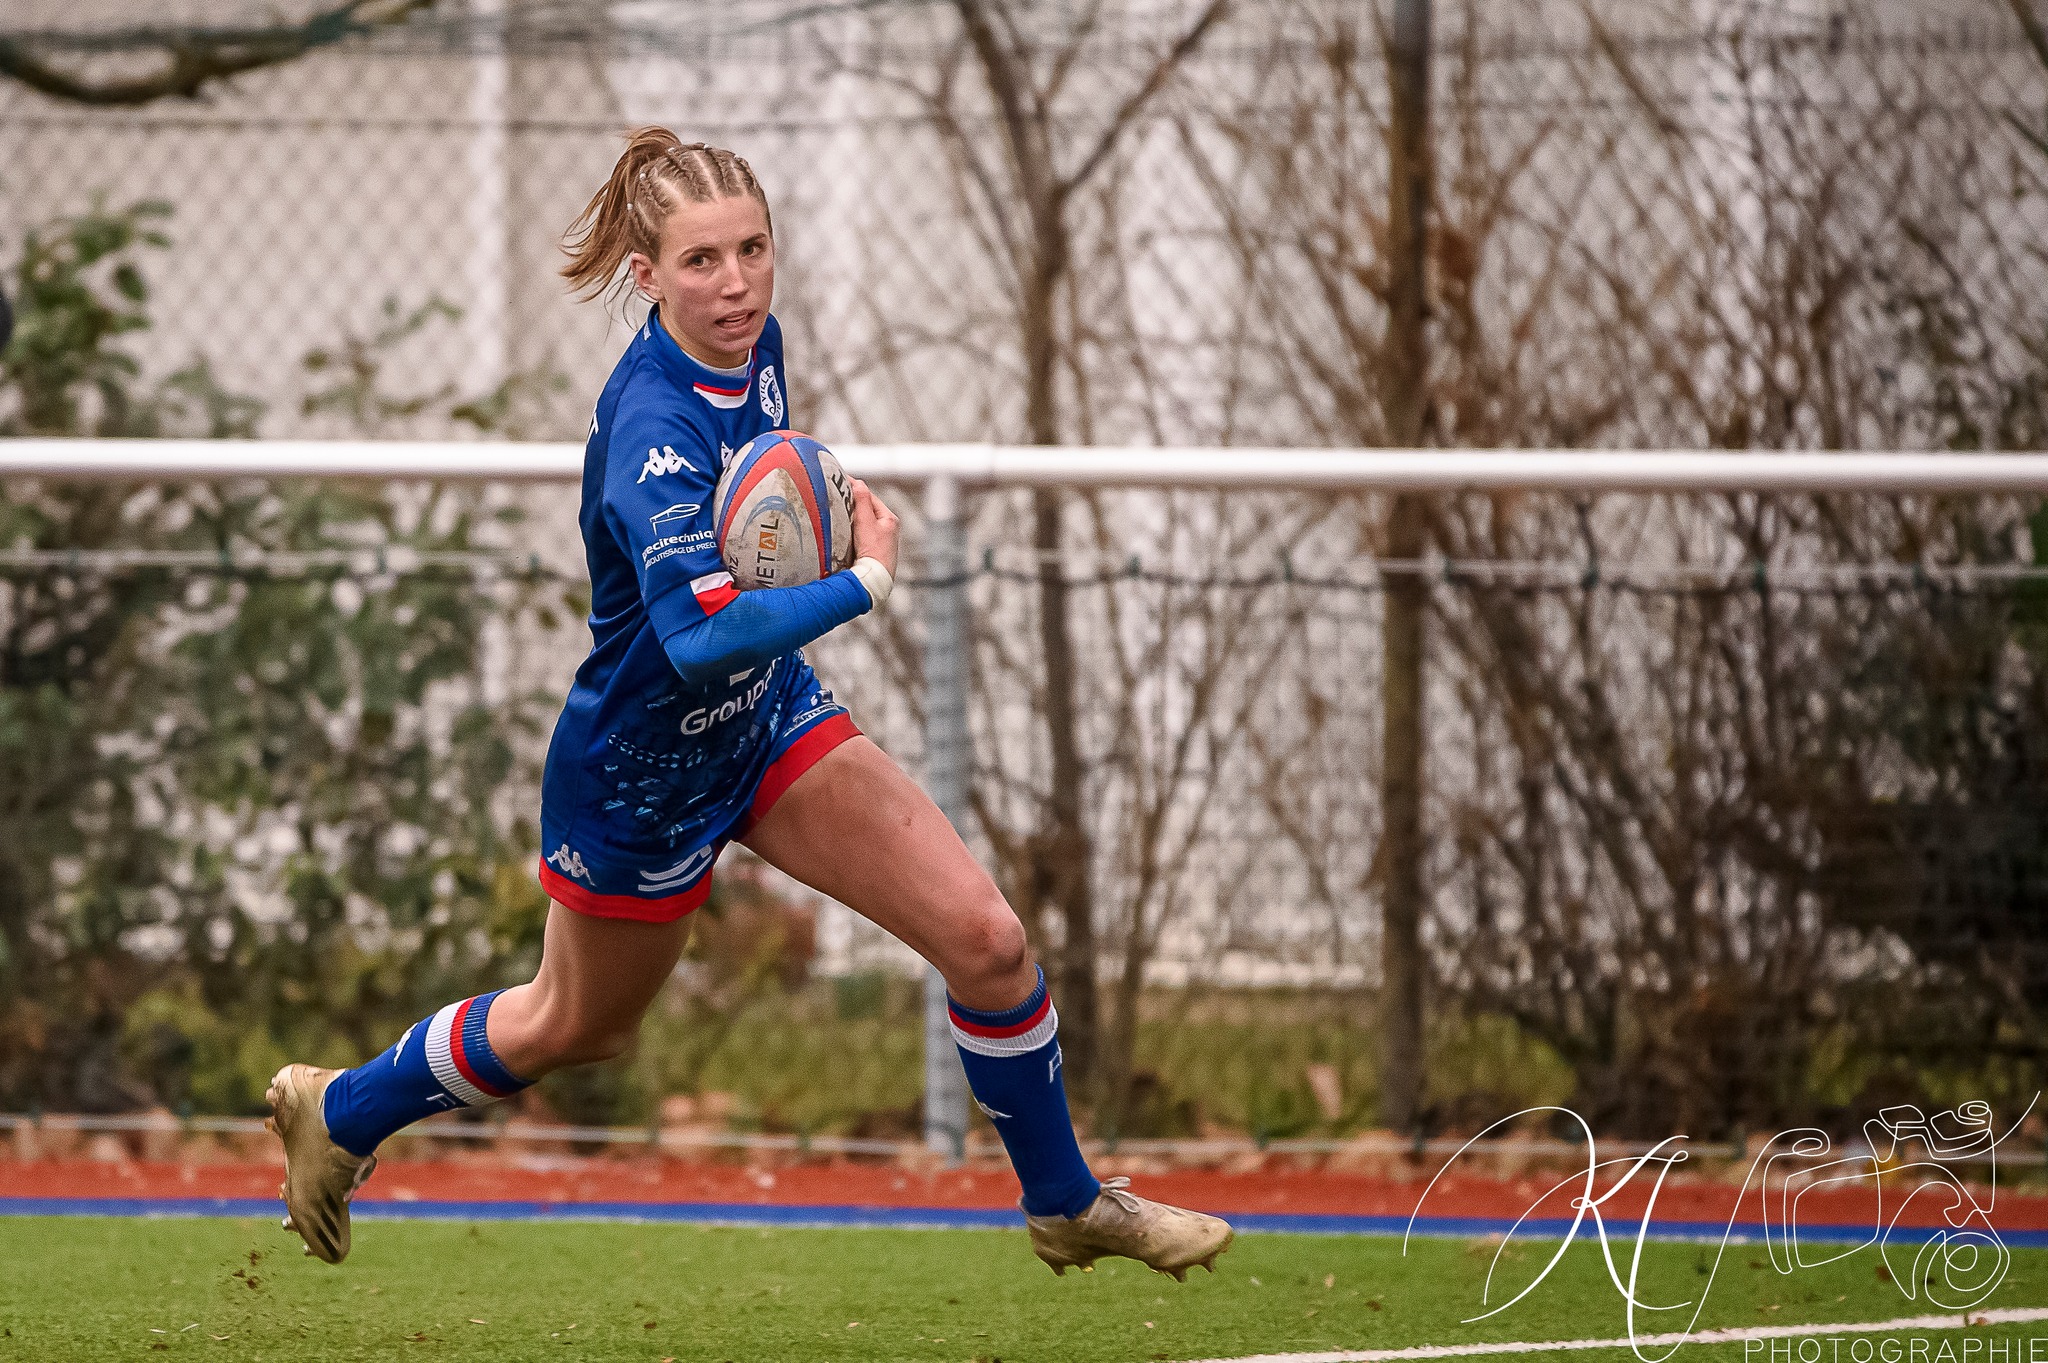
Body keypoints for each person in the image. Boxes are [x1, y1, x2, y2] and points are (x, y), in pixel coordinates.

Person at [265, 127, 1233, 1281]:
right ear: (646, 276)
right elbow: (689, 638)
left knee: (986, 940)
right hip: (641, 769)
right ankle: (345, 1111)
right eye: (699, 262)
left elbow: (747, 573)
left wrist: (801, 551)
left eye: (752, 250)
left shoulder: (755, 345)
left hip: (765, 718)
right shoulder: (652, 433)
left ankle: (1066, 1201)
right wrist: (857, 580)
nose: (733, 285)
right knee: (575, 1026)